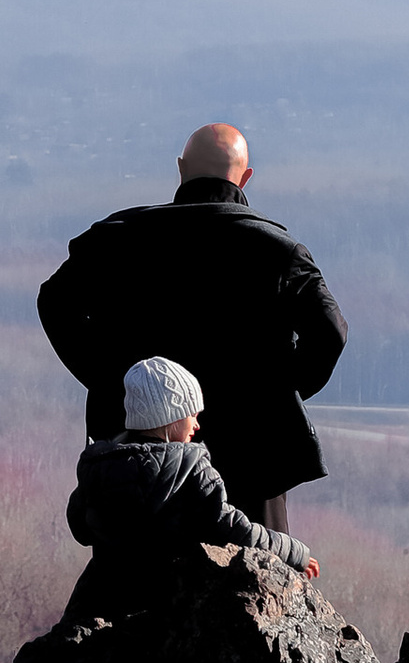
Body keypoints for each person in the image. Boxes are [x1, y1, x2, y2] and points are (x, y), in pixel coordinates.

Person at [38, 121, 347, 533]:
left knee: (135, 565)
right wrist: (271, 392)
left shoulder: (114, 242)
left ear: (181, 170)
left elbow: (55, 303)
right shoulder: (278, 252)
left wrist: (118, 383)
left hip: (140, 456)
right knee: (253, 562)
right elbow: (330, 332)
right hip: (252, 456)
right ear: (245, 178)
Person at [63, 354, 319, 618]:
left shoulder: (99, 466)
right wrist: (295, 552)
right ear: (170, 417)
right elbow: (236, 530)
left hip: (104, 602)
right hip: (169, 606)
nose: (197, 424)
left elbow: (80, 529)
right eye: (192, 415)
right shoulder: (190, 468)